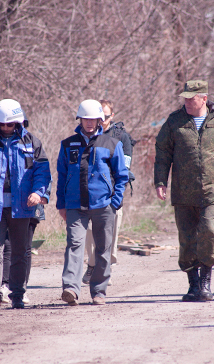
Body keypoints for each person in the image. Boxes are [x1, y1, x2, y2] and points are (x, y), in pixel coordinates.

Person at [154, 80, 214, 302]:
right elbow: (163, 152)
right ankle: (193, 283)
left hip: (211, 191)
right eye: (185, 98)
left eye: (191, 98)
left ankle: (205, 282)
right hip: (183, 192)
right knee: (187, 239)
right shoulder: (175, 121)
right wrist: (160, 182)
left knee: (209, 232)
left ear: (204, 98)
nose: (187, 102)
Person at [0, 99, 51, 310]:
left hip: (22, 206)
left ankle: (17, 294)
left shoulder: (32, 142)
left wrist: (38, 192)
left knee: (20, 250)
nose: (6, 128)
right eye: (2, 124)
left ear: (18, 122)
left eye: (10, 124)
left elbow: (43, 172)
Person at [57, 99, 128, 306]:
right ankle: (71, 288)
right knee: (74, 244)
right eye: (85, 119)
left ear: (100, 120)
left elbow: (122, 175)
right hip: (74, 205)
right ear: (79, 119)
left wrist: (115, 202)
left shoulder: (112, 144)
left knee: (103, 249)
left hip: (104, 205)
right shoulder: (68, 144)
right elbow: (61, 175)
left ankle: (99, 292)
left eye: (93, 119)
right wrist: (61, 204)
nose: (89, 123)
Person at [82, 99, 135, 285]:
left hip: (113, 195)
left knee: (110, 236)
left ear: (111, 116)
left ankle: (105, 268)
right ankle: (92, 265)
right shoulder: (87, 136)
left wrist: (117, 197)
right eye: (99, 116)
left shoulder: (122, 137)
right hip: (92, 196)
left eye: (105, 116)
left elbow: (125, 168)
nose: (101, 120)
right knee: (89, 233)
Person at [1, 182, 50, 304]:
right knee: (7, 246)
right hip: (8, 204)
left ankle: (21, 288)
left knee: (25, 247)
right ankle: (5, 285)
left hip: (31, 205)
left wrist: (44, 195)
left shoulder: (37, 162)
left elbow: (45, 174)